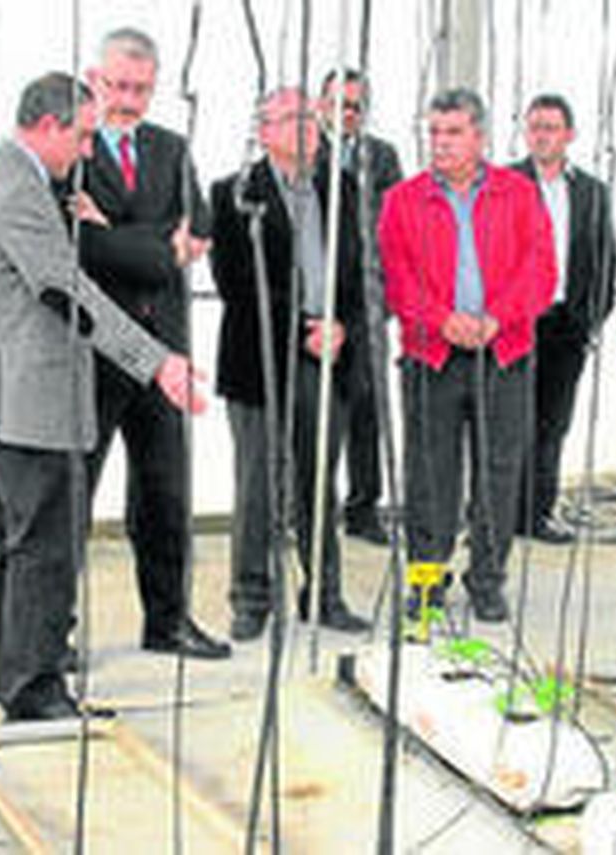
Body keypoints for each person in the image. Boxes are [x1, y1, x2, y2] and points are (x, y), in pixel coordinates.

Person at [0, 73, 205, 722]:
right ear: (49, 126)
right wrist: (157, 362)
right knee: (46, 546)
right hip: (29, 400)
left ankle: (1, 674)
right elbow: (66, 290)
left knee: (11, 540)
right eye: (84, 135)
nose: (88, 151)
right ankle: (34, 689)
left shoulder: (7, 177)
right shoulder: (16, 187)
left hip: (4, 395)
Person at [78, 28, 228, 659]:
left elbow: (202, 227)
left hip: (165, 348)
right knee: (73, 495)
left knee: (165, 493)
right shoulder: (75, 149)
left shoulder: (171, 147)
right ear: (94, 78)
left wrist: (118, 233)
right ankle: (53, 634)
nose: (129, 100)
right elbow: (79, 245)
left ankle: (167, 622)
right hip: (93, 348)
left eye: (141, 88)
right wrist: (158, 245)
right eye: (118, 86)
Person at [380, 88, 556, 623]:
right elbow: (396, 276)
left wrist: (497, 318)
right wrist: (441, 320)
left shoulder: (519, 194)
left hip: (503, 352)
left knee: (499, 473)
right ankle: (427, 582)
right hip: (431, 356)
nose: (441, 143)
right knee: (429, 476)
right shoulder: (403, 200)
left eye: (453, 132)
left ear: (479, 136)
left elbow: (541, 269)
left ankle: (487, 580)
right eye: (434, 132)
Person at [210, 88, 372, 641]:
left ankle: (324, 594)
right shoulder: (234, 193)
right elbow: (236, 285)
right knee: (257, 482)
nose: (308, 128)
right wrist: (303, 329)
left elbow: (359, 274)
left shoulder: (344, 189)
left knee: (318, 479)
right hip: (260, 360)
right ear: (264, 130)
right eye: (294, 119)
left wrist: (341, 326)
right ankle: (252, 598)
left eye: (311, 117)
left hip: (329, 357)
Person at [509, 93, 616, 544]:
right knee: (511, 421)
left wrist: (591, 319)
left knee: (553, 422)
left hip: (565, 324)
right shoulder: (504, 183)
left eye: (551, 127)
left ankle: (538, 514)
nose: (542, 136)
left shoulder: (591, 191)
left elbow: (605, 259)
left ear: (569, 135)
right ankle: (500, 514)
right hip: (514, 322)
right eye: (535, 127)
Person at [317, 68, 404, 545]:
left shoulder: (381, 156)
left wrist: (386, 295)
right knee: (315, 408)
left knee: (368, 408)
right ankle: (306, 508)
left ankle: (364, 507)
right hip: (319, 301)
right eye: (337, 104)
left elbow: (397, 222)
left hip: (369, 301)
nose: (346, 114)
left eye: (354, 106)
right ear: (320, 104)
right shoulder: (307, 150)